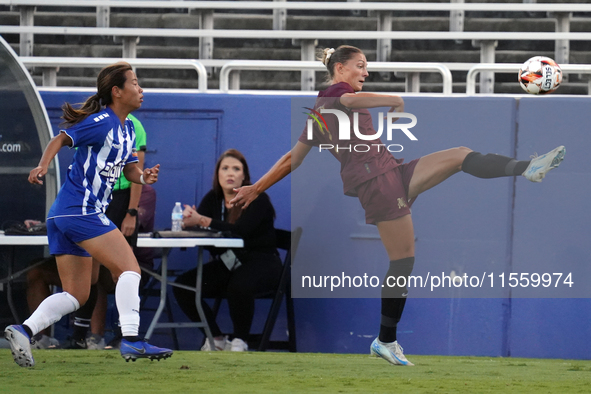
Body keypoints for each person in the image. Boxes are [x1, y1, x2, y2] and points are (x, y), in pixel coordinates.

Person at [229, 45, 566, 366]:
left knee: (461, 154)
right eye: (360, 66)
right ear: (339, 68)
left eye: (366, 67)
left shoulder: (321, 114)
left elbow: (293, 157)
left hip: (393, 172)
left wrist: (257, 187)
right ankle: (385, 340)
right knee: (402, 261)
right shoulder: (332, 96)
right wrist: (394, 98)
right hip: (376, 185)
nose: (365, 72)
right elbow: (348, 99)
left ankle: (529, 168)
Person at [4, 62, 172, 367]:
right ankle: (132, 340)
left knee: (77, 294)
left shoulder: (128, 128)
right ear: (117, 92)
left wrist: (145, 177)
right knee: (130, 269)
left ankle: (23, 329)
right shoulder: (102, 121)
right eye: (135, 83)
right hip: (81, 211)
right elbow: (60, 139)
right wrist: (43, 165)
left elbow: (130, 170)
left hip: (63, 216)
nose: (141, 89)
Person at [172, 149, 282, 352]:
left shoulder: (258, 199)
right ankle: (216, 338)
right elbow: (202, 230)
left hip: (262, 263)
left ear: (244, 176)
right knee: (183, 286)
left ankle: (240, 341)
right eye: (225, 168)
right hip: (229, 262)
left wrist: (202, 220)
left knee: (238, 285)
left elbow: (240, 231)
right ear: (217, 175)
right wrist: (189, 221)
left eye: (236, 169)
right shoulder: (213, 199)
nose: (230, 173)